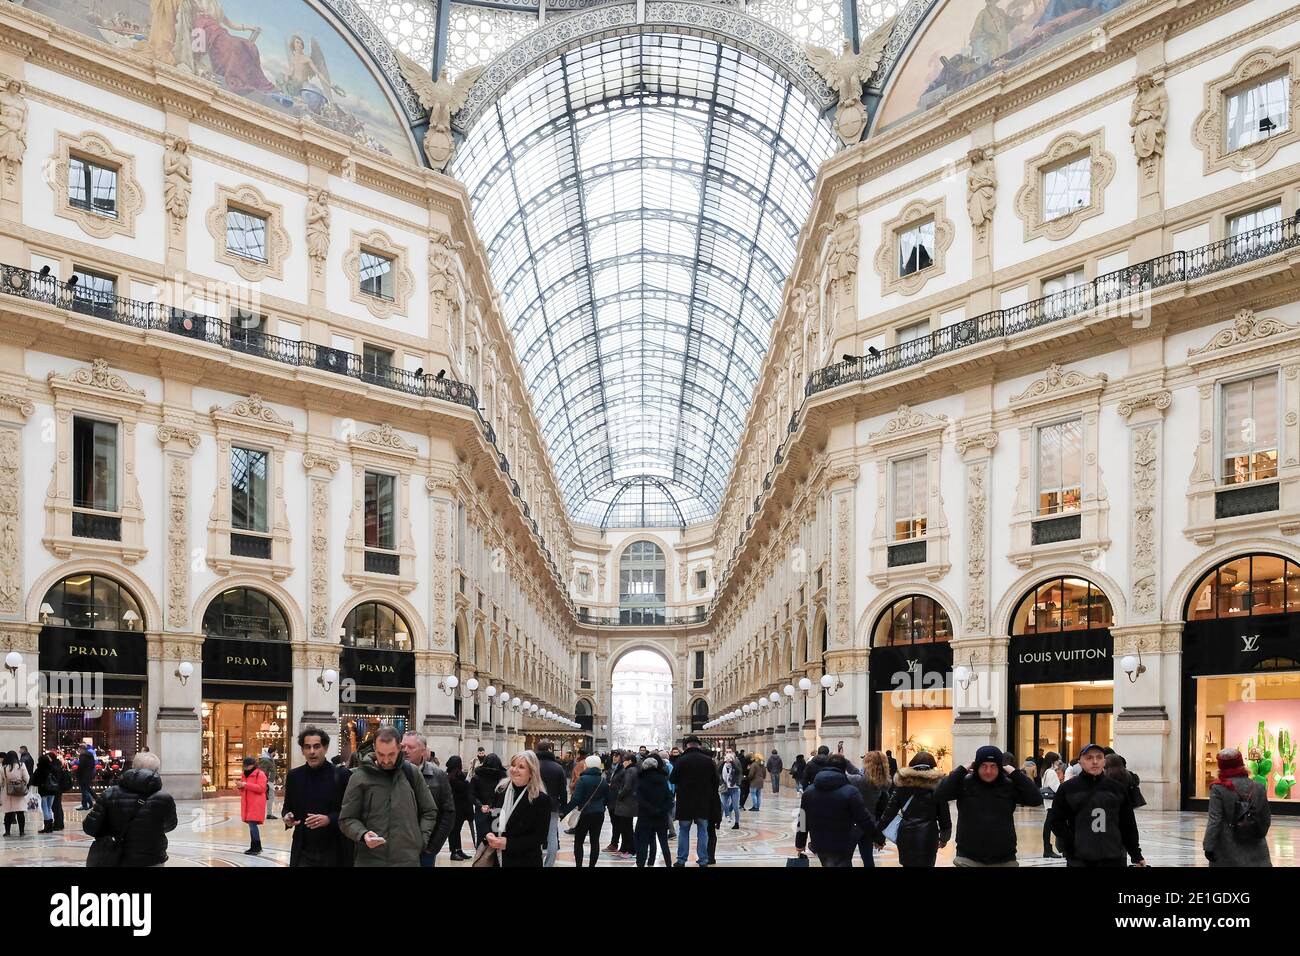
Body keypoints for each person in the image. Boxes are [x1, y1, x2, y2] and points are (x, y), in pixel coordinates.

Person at [339, 726, 439, 867]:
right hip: (370, 860)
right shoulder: (359, 777)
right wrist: (363, 834)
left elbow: (429, 811)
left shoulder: (412, 773)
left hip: (408, 859)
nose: (386, 760)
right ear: (374, 748)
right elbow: (346, 819)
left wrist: (420, 839)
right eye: (381, 754)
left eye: (391, 754)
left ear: (399, 748)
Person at [934, 745, 1042, 867]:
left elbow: (1036, 799)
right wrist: (962, 769)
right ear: (976, 766)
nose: (988, 771)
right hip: (968, 858)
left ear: (1000, 767)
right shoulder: (965, 784)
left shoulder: (1008, 786)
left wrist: (1015, 773)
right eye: (984, 766)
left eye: (993, 766)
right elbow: (939, 794)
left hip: (1004, 858)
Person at [1049, 743, 1145, 868]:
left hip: (1113, 856)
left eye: (1099, 757)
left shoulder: (1117, 789)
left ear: (1104, 761)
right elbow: (1056, 821)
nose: (1095, 762)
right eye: (1089, 758)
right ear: (1080, 762)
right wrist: (1073, 840)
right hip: (1079, 858)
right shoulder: (1068, 789)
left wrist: (1136, 854)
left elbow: (1128, 824)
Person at [83, 751, 176, 867]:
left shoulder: (109, 794)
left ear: (133, 767)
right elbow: (170, 825)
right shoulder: (164, 798)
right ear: (156, 771)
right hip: (152, 858)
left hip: (117, 857)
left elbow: (90, 827)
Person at [281, 726, 352, 867]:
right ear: (302, 750)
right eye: (307, 747)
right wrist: (287, 817)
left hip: (334, 848)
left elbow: (352, 813)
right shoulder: (294, 776)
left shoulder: (342, 775)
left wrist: (329, 819)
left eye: (316, 746)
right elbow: (287, 807)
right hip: (303, 850)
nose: (312, 752)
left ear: (325, 748)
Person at [795, 754, 875, 867]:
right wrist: (877, 837)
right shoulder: (851, 791)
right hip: (844, 841)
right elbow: (864, 818)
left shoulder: (809, 791)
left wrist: (800, 842)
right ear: (844, 769)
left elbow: (803, 818)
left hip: (819, 842)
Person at [875, 752, 951, 867]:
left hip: (906, 834)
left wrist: (879, 837)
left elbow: (888, 813)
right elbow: (944, 815)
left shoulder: (902, 785)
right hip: (929, 834)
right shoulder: (937, 786)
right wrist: (944, 837)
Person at [481, 750, 551, 867]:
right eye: (513, 765)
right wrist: (489, 834)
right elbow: (494, 819)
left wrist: (508, 844)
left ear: (531, 772)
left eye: (521, 767)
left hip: (525, 861)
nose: (514, 770)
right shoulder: (501, 790)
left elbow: (540, 837)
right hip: (498, 859)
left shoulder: (540, 799)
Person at [1204, 747, 1271, 867]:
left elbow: (1215, 820)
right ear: (1241, 764)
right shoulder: (1259, 787)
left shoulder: (1218, 788)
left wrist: (1209, 846)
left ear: (1221, 766)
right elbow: (1265, 818)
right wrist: (1255, 832)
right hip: (1256, 846)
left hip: (1227, 847)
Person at [401, 732, 455, 866]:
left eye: (411, 747)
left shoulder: (438, 776)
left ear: (423, 751)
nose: (405, 751)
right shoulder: (394, 774)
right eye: (403, 747)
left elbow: (448, 813)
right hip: (398, 847)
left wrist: (433, 847)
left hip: (426, 848)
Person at [669, 735, 718, 867]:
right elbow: (716, 782)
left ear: (686, 746)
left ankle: (681, 860)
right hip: (703, 803)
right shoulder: (708, 761)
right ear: (699, 745)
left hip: (685, 802)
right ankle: (703, 860)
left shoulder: (681, 760)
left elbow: (672, 779)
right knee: (703, 830)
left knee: (684, 830)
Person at [561, 754, 609, 867]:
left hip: (585, 813)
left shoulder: (583, 779)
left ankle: (579, 865)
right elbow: (608, 798)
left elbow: (576, 799)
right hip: (599, 814)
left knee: (579, 841)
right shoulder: (603, 780)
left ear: (587, 765)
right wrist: (601, 806)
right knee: (595, 841)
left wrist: (564, 811)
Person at [848, 750, 892, 867]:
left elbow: (846, 776)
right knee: (867, 857)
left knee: (846, 858)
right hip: (870, 824)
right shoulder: (884, 782)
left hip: (855, 824)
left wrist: (842, 760)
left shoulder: (859, 781)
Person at [534, 739, 569, 868]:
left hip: (534, 804)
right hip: (552, 805)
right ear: (549, 749)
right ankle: (549, 864)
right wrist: (563, 808)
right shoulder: (558, 767)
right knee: (552, 836)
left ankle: (535, 861)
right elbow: (563, 791)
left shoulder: (533, 766)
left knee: (534, 834)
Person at [634, 754, 673, 866]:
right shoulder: (663, 779)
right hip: (661, 817)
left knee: (643, 843)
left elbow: (639, 798)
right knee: (664, 843)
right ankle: (668, 863)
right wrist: (661, 810)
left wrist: (650, 809)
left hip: (645, 816)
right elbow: (669, 798)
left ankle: (641, 863)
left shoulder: (641, 779)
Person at [471, 753, 506, 846]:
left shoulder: (477, 777)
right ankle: (495, 859)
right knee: (496, 837)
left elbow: (471, 795)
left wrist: (480, 805)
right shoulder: (503, 779)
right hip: (497, 811)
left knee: (481, 836)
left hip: (481, 810)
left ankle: (480, 857)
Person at [236, 755, 268, 855]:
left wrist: (245, 785)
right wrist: (240, 786)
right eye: (244, 766)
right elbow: (244, 789)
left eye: (247, 766)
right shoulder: (244, 774)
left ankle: (256, 847)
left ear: (253, 765)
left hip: (256, 803)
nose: (245, 768)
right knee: (251, 825)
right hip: (247, 802)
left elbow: (261, 788)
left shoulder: (260, 774)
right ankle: (255, 847)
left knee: (253, 825)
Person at [444, 755, 473, 861]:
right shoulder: (449, 777)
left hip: (461, 809)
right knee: (454, 831)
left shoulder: (458, 775)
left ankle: (459, 850)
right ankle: (453, 852)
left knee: (457, 830)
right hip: (453, 808)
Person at [610, 750, 639, 856]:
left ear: (630, 761)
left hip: (626, 803)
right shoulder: (635, 769)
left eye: (624, 761)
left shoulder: (630, 771)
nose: (623, 763)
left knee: (626, 828)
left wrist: (619, 794)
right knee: (626, 827)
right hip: (630, 803)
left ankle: (629, 849)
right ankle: (625, 848)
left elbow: (627, 787)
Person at [1040, 758, 1065, 858]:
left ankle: (1048, 848)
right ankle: (1050, 849)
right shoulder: (1051, 772)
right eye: (1057, 761)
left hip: (1048, 802)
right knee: (1051, 825)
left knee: (1049, 825)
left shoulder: (1045, 771)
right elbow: (1057, 788)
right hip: (1053, 802)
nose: (1058, 764)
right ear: (1052, 761)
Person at [1, 750, 29, 836]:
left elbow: (1, 782)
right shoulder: (21, 766)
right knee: (20, 812)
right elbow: (27, 778)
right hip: (19, 791)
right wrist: (21, 783)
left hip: (7, 792)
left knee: (8, 812)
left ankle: (7, 832)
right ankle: (21, 831)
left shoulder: (3, 768)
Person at [32, 750, 59, 834]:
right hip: (52, 791)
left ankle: (47, 826)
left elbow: (34, 781)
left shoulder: (39, 770)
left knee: (45, 809)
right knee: (49, 808)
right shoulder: (52, 768)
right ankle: (50, 826)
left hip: (43, 792)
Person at [720, 751, 743, 828]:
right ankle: (718, 822)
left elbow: (738, 771)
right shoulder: (723, 766)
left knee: (735, 806)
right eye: (726, 758)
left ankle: (737, 823)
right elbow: (718, 771)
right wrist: (723, 763)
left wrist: (732, 763)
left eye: (729, 758)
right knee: (722, 805)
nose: (728, 760)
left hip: (734, 788)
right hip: (725, 788)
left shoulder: (735, 766)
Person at [258, 746, 278, 819]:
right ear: (273, 752)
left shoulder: (270, 759)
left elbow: (272, 769)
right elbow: (262, 771)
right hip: (267, 782)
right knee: (269, 797)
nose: (276, 753)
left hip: (270, 781)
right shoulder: (265, 760)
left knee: (270, 797)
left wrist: (277, 777)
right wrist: (265, 781)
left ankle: (269, 813)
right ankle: (268, 814)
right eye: (276, 752)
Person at [75, 743, 96, 810]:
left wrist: (77, 774)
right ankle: (92, 803)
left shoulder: (83, 755)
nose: (78, 750)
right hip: (89, 774)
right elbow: (93, 765)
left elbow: (81, 767)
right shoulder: (90, 755)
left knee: (84, 791)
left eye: (79, 749)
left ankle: (85, 805)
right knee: (87, 789)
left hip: (83, 775)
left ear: (81, 749)